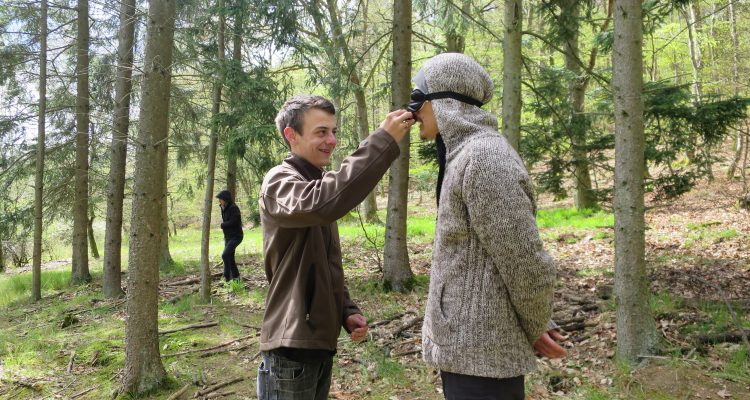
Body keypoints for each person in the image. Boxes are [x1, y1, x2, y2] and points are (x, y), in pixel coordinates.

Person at [411, 53, 567, 400]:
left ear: (444, 101)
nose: (413, 110)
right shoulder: (463, 156)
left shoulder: (484, 159)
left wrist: (536, 323)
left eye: (418, 97)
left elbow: (524, 260)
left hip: (484, 363)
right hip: (468, 354)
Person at [257, 95, 414, 400]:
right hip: (290, 348)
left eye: (333, 131)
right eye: (321, 132)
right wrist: (382, 141)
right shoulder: (279, 182)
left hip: (317, 345)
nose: (331, 141)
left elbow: (321, 263)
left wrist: (346, 310)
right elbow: (323, 201)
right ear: (291, 135)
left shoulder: (319, 187)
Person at [216, 190, 243, 282]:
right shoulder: (223, 208)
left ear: (225, 199)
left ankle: (226, 276)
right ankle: (235, 279)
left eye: (220, 199)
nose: (219, 201)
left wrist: (223, 225)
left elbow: (235, 221)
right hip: (228, 237)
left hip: (236, 236)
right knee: (230, 258)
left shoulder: (233, 208)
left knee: (225, 255)